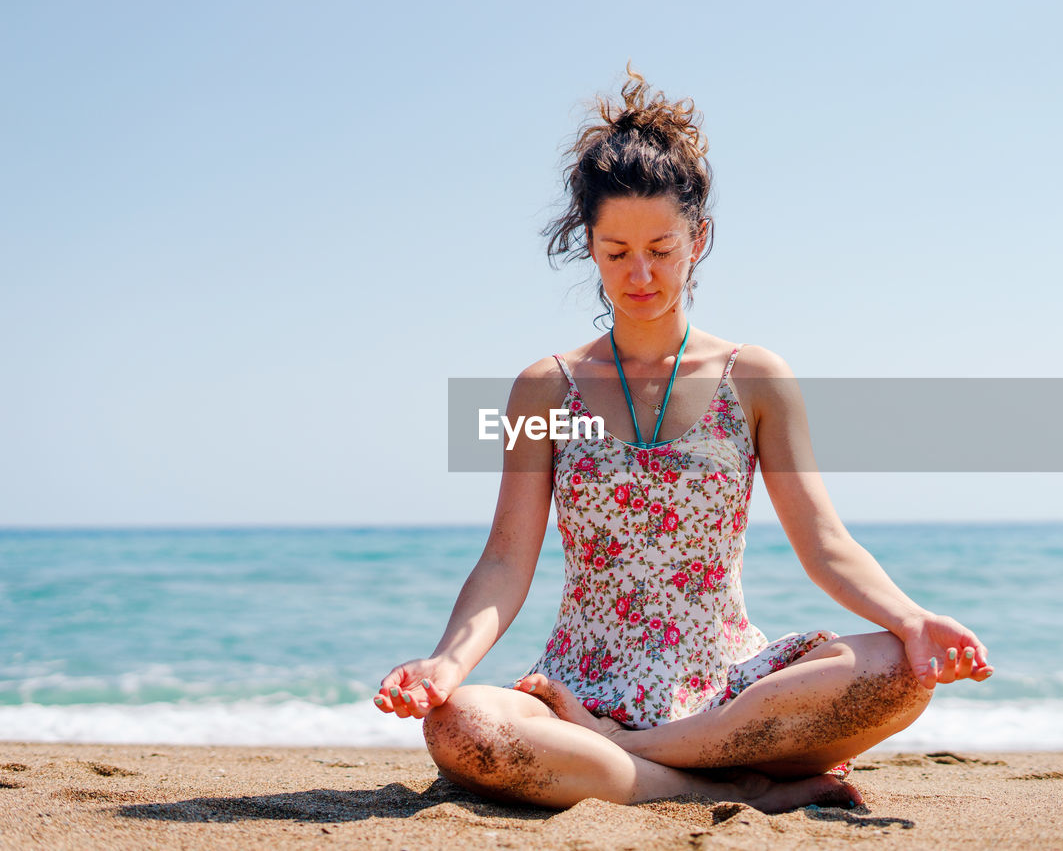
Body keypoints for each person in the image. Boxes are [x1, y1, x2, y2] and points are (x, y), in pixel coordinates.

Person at [375, 66, 993, 813]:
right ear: (590, 246)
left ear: (698, 238)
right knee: (463, 725)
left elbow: (825, 543)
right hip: (578, 683)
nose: (639, 274)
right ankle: (741, 790)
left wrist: (911, 617)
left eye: (661, 249)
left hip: (729, 695)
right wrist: (445, 663)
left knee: (902, 667)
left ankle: (628, 755)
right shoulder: (544, 389)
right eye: (615, 252)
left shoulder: (755, 379)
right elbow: (506, 559)